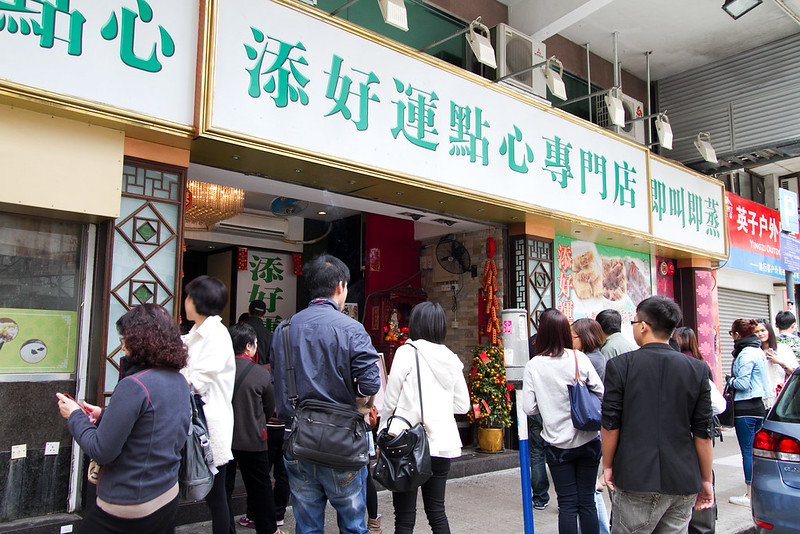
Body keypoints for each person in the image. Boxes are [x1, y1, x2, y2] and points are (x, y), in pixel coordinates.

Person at [271, 254, 381, 534]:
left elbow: (279, 383)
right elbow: (370, 384)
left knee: (307, 527)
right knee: (353, 526)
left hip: (299, 440)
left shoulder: (284, 329)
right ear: (341, 287)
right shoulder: (353, 330)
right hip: (343, 443)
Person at [56, 304, 190, 534]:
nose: (122, 343)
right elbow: (152, 426)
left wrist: (75, 416)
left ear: (139, 340)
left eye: (125, 337)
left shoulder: (135, 385)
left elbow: (102, 450)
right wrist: (104, 415)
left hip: (129, 504)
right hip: (166, 494)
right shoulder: (179, 380)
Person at [602, 296, 714, 532]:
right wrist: (706, 479)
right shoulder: (697, 369)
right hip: (683, 479)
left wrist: (608, 464)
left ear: (643, 326)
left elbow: (611, 423)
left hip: (635, 476)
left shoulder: (621, 365)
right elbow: (703, 432)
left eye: (633, 323)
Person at [379, 301, 470, 534]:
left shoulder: (406, 352)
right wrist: (437, 405)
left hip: (407, 443)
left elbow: (390, 399)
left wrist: (382, 433)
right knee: (437, 512)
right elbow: (463, 404)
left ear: (416, 324)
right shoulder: (451, 358)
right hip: (441, 444)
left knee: (405, 518)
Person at [523, 309, 604, 534]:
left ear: (542, 333)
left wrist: (547, 405)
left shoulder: (534, 365)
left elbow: (529, 408)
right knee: (587, 501)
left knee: (567, 503)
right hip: (588, 441)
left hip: (558, 446)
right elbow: (601, 392)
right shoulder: (579, 358)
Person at [181, 275, 236, 534]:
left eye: (189, 297)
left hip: (209, 426)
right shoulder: (196, 333)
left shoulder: (216, 334)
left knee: (216, 497)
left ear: (199, 301)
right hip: (196, 423)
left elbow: (197, 381)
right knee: (216, 496)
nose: (185, 302)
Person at [225, 323, 283, 534]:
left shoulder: (220, 372)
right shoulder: (260, 374)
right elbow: (269, 408)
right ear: (248, 346)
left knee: (224, 490)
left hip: (225, 440)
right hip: (253, 439)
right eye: (256, 344)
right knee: (260, 489)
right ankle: (267, 530)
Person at [672, 326, 727, 534]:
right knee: (702, 479)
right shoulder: (700, 365)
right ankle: (702, 523)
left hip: (679, 437)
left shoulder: (677, 365)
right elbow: (719, 405)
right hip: (699, 432)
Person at [570, 317, 610, 534]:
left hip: (590, 430)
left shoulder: (588, 360)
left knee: (590, 491)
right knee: (588, 490)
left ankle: (602, 530)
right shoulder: (595, 357)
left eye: (572, 336)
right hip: (593, 428)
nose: (569, 340)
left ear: (583, 337)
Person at [727, 318, 770, 507]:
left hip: (745, 407)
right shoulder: (758, 351)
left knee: (747, 451)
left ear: (737, 335)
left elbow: (743, 384)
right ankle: (760, 491)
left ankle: (749, 494)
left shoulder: (745, 354)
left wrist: (730, 381)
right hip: (759, 406)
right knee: (758, 451)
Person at [527, 334, 550, 511]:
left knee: (536, 452)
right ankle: (566, 495)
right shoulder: (563, 345)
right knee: (560, 450)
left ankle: (540, 498)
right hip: (556, 409)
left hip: (536, 406)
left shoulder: (530, 342)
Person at [755, 319, 797, 404]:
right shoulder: (754, 352)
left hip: (782, 398)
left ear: (769, 331)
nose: (760, 334)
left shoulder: (783, 349)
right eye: (756, 331)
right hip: (761, 400)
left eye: (763, 330)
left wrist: (780, 362)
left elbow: (795, 373)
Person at [246, 299, 274, 367]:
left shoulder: (237, 330)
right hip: (262, 374)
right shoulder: (269, 336)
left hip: (239, 374)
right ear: (264, 315)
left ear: (249, 312)